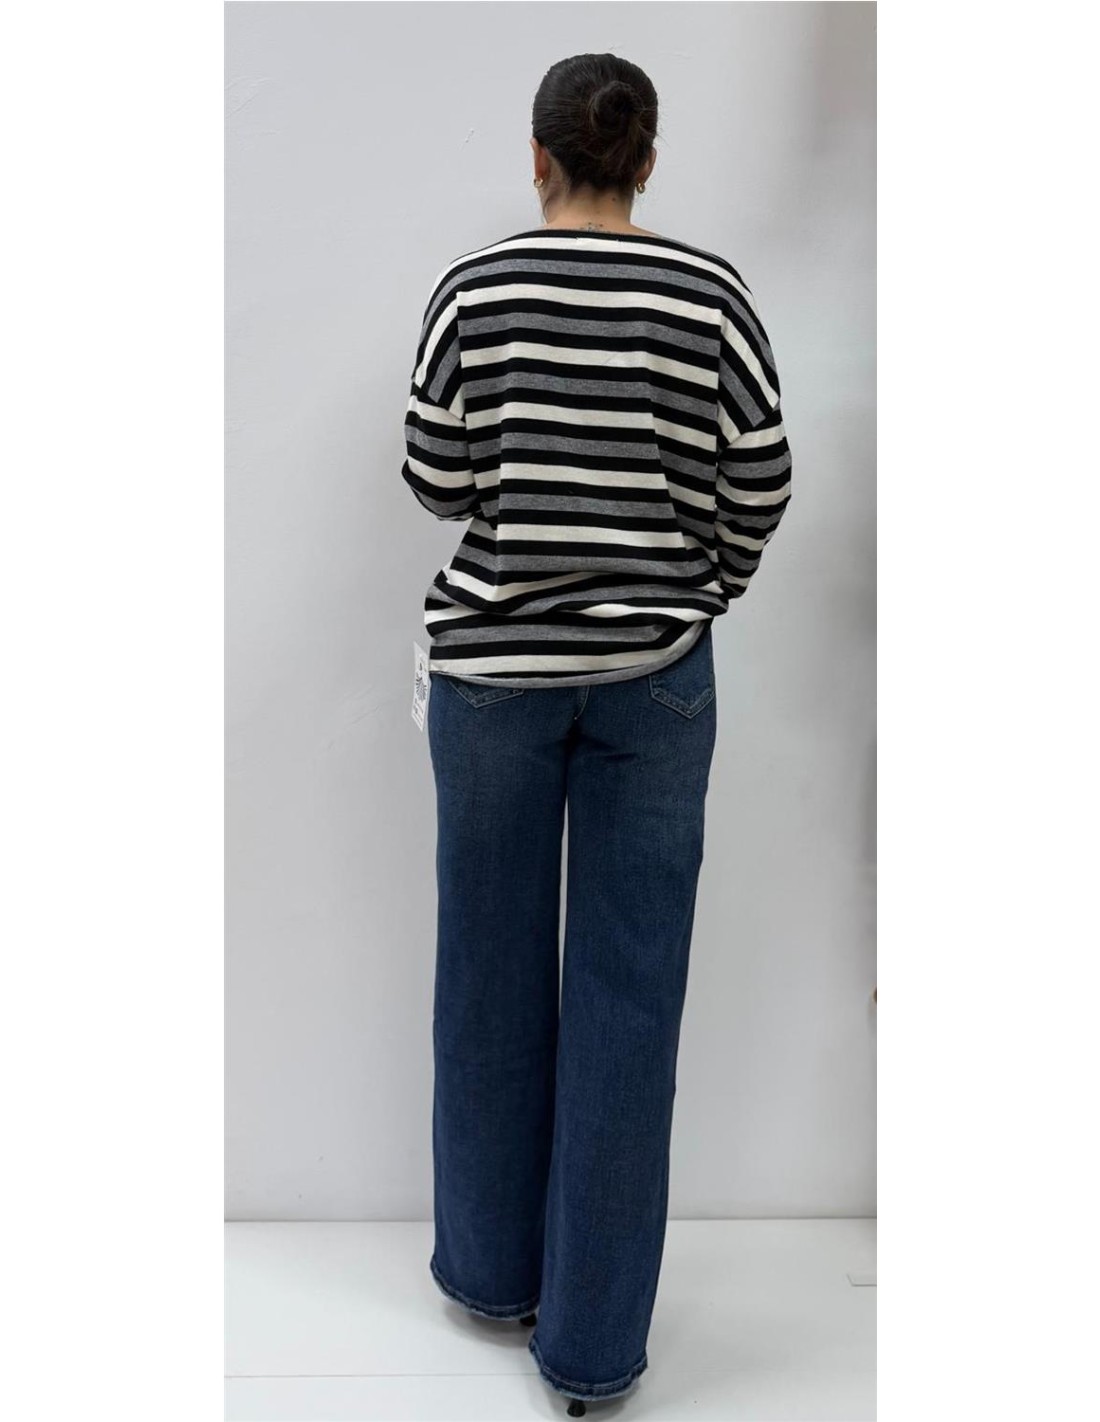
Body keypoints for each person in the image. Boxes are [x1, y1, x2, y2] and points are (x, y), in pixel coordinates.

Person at [402, 52, 792, 1416]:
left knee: (487, 972)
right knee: (631, 1002)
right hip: (658, 678)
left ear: (538, 156)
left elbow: (434, 473)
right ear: (646, 160)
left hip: (492, 675)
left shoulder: (476, 290)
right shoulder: (709, 297)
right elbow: (762, 477)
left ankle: (490, 1276)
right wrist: (699, 586)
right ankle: (591, 1352)